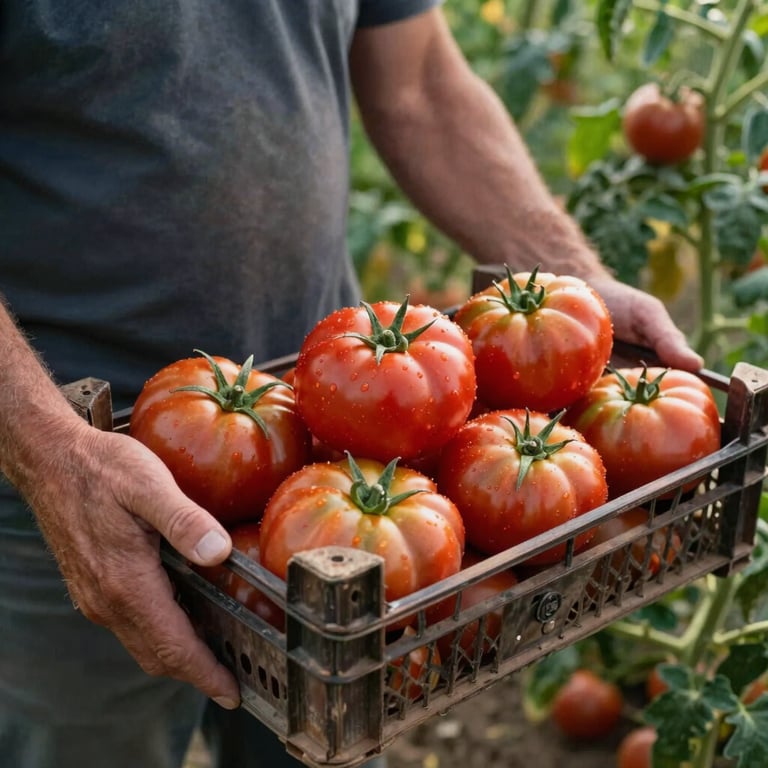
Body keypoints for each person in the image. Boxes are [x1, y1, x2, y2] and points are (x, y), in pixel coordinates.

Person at [0, 3, 704, 768]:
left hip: (338, 443)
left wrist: (576, 286)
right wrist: (49, 449)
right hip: (50, 478)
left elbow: (421, 82)